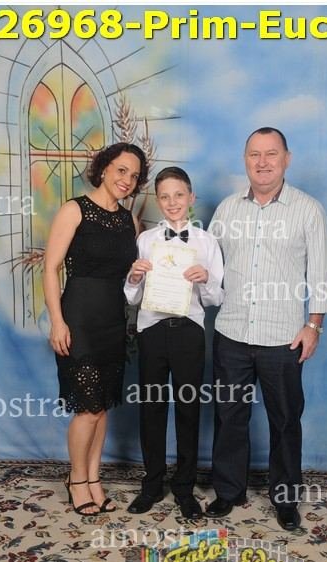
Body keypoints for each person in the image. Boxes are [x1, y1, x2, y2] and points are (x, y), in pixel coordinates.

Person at [205, 127, 327, 530]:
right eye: (254, 154)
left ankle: (285, 499)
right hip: (231, 333)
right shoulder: (227, 209)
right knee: (229, 417)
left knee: (285, 420)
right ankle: (229, 491)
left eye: (271, 154)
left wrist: (314, 326)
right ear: (245, 160)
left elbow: (322, 274)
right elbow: (205, 262)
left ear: (286, 159)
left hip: (284, 338)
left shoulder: (308, 210)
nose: (262, 162)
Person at [43, 143, 148, 516]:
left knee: (101, 408)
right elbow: (50, 267)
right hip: (79, 319)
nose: (127, 180)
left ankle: (93, 478)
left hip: (113, 322)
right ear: (104, 168)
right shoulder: (74, 210)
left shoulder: (130, 221)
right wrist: (57, 321)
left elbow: (130, 279)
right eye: (121, 170)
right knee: (87, 409)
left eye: (134, 175)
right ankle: (76, 480)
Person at [124, 167, 224, 519]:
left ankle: (184, 488)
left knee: (188, 409)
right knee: (151, 408)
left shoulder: (207, 242)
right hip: (151, 330)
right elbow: (133, 296)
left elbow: (215, 298)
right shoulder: (145, 240)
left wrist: (206, 279)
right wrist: (134, 277)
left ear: (191, 197)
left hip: (189, 332)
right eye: (164, 196)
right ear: (157, 200)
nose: (172, 202)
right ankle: (151, 486)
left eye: (179, 195)